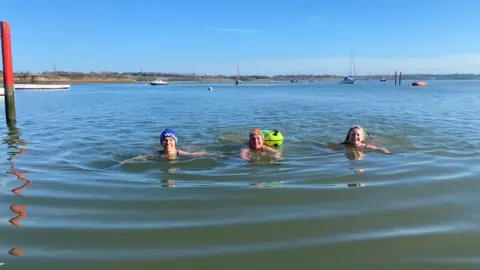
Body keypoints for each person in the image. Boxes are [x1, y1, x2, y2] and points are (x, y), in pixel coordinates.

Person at [120, 129, 208, 163]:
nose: (168, 143)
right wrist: (125, 161)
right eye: (165, 140)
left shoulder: (180, 153)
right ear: (161, 143)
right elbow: (141, 157)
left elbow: (198, 154)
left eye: (171, 140)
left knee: (189, 148)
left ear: (175, 142)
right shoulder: (157, 154)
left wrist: (218, 156)